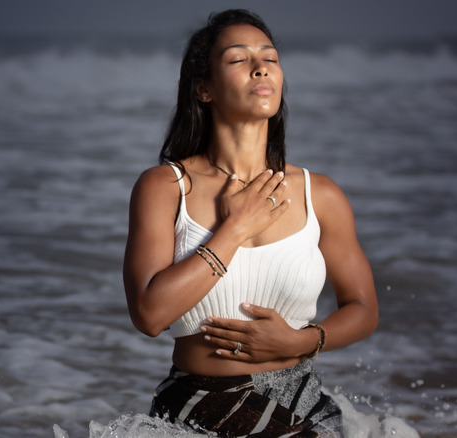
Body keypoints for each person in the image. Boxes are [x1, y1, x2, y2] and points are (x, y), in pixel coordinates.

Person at [123, 9, 378, 437]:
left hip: (304, 403)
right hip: (200, 408)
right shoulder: (166, 187)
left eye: (270, 58)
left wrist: (303, 341)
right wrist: (234, 229)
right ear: (204, 88)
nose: (261, 66)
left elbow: (363, 308)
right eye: (239, 59)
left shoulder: (321, 194)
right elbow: (149, 315)